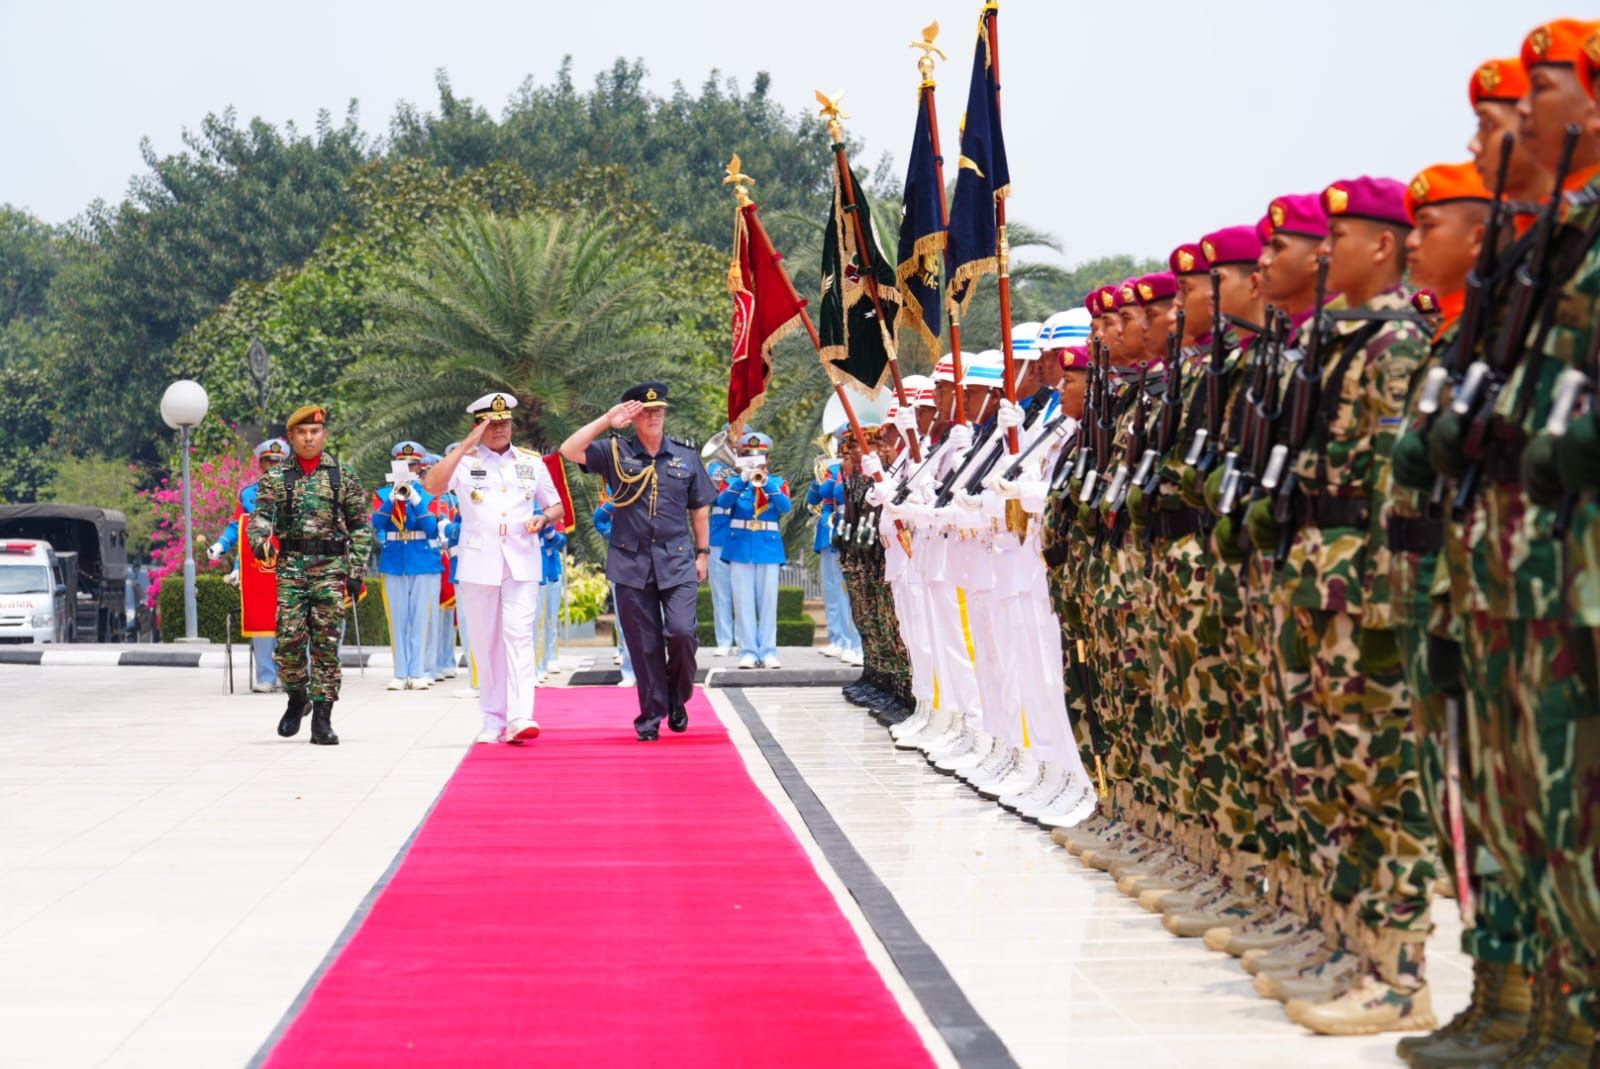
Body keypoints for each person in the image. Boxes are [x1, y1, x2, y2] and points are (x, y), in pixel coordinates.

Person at [559, 381, 716, 741]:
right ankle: (650, 717)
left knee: (681, 633)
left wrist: (703, 553)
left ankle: (678, 697)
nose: (655, 415)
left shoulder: (685, 456)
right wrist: (605, 421)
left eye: (659, 409)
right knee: (643, 647)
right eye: (646, 411)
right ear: (633, 417)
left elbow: (700, 511)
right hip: (631, 563)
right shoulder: (615, 452)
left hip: (676, 560)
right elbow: (569, 450)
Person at [423, 393, 563, 745]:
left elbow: (557, 505)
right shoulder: (465, 462)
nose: (500, 428)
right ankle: (492, 717)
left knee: (518, 634)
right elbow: (433, 485)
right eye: (492, 422)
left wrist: (542, 517)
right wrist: (467, 444)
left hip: (521, 557)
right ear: (479, 425)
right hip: (478, 559)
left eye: (505, 421)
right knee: (486, 642)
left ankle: (520, 715)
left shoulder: (530, 462)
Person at [247, 405, 373, 746]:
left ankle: (322, 718)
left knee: (326, 645)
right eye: (301, 432)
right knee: (288, 642)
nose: (308, 437)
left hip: (331, 569)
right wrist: (260, 543)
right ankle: (296, 696)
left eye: (314, 432)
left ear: (324, 435)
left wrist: (356, 570)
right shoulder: (276, 477)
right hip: (291, 567)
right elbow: (260, 518)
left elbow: (361, 525)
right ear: (291, 438)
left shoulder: (342, 476)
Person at [209, 436, 288, 692]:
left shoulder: (300, 490)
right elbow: (238, 527)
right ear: (261, 464)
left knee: (294, 621)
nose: (273, 466)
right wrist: (223, 546)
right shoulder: (248, 494)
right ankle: (266, 675)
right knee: (262, 618)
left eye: (279, 461)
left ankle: (294, 676)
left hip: (290, 563)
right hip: (258, 566)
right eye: (268, 461)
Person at [372, 441, 442, 691]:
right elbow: (377, 524)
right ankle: (400, 672)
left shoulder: (429, 493)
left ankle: (419, 671)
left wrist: (415, 501)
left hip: (422, 559)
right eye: (403, 464)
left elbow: (431, 528)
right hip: (394, 560)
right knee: (398, 619)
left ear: (419, 466)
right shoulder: (382, 494)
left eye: (412, 465)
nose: (408, 469)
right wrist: (391, 501)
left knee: (421, 618)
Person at [719, 431, 792, 669]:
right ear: (740, 457)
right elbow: (722, 503)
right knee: (742, 601)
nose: (754, 461)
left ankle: (769, 651)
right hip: (740, 546)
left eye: (759, 457)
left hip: (768, 547)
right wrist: (742, 480)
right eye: (748, 456)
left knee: (768, 601)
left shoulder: (778, 483)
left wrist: (766, 481)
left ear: (767, 459)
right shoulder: (731, 483)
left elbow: (784, 506)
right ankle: (748, 651)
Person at [593, 497, 636, 688]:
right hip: (622, 559)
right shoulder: (620, 488)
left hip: (651, 558)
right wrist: (613, 535)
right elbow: (599, 518)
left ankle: (653, 670)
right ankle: (629, 670)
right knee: (625, 620)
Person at [705, 456, 737, 655]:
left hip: (743, 536)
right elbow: (708, 495)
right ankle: (725, 641)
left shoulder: (753, 463)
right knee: (721, 594)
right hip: (718, 537)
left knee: (744, 595)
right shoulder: (715, 467)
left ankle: (745, 640)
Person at [535, 524, 566, 682]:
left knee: (550, 619)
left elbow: (561, 542)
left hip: (552, 571)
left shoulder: (549, 515)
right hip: (536, 573)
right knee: (537, 622)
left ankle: (551, 657)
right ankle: (539, 662)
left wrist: (550, 531)